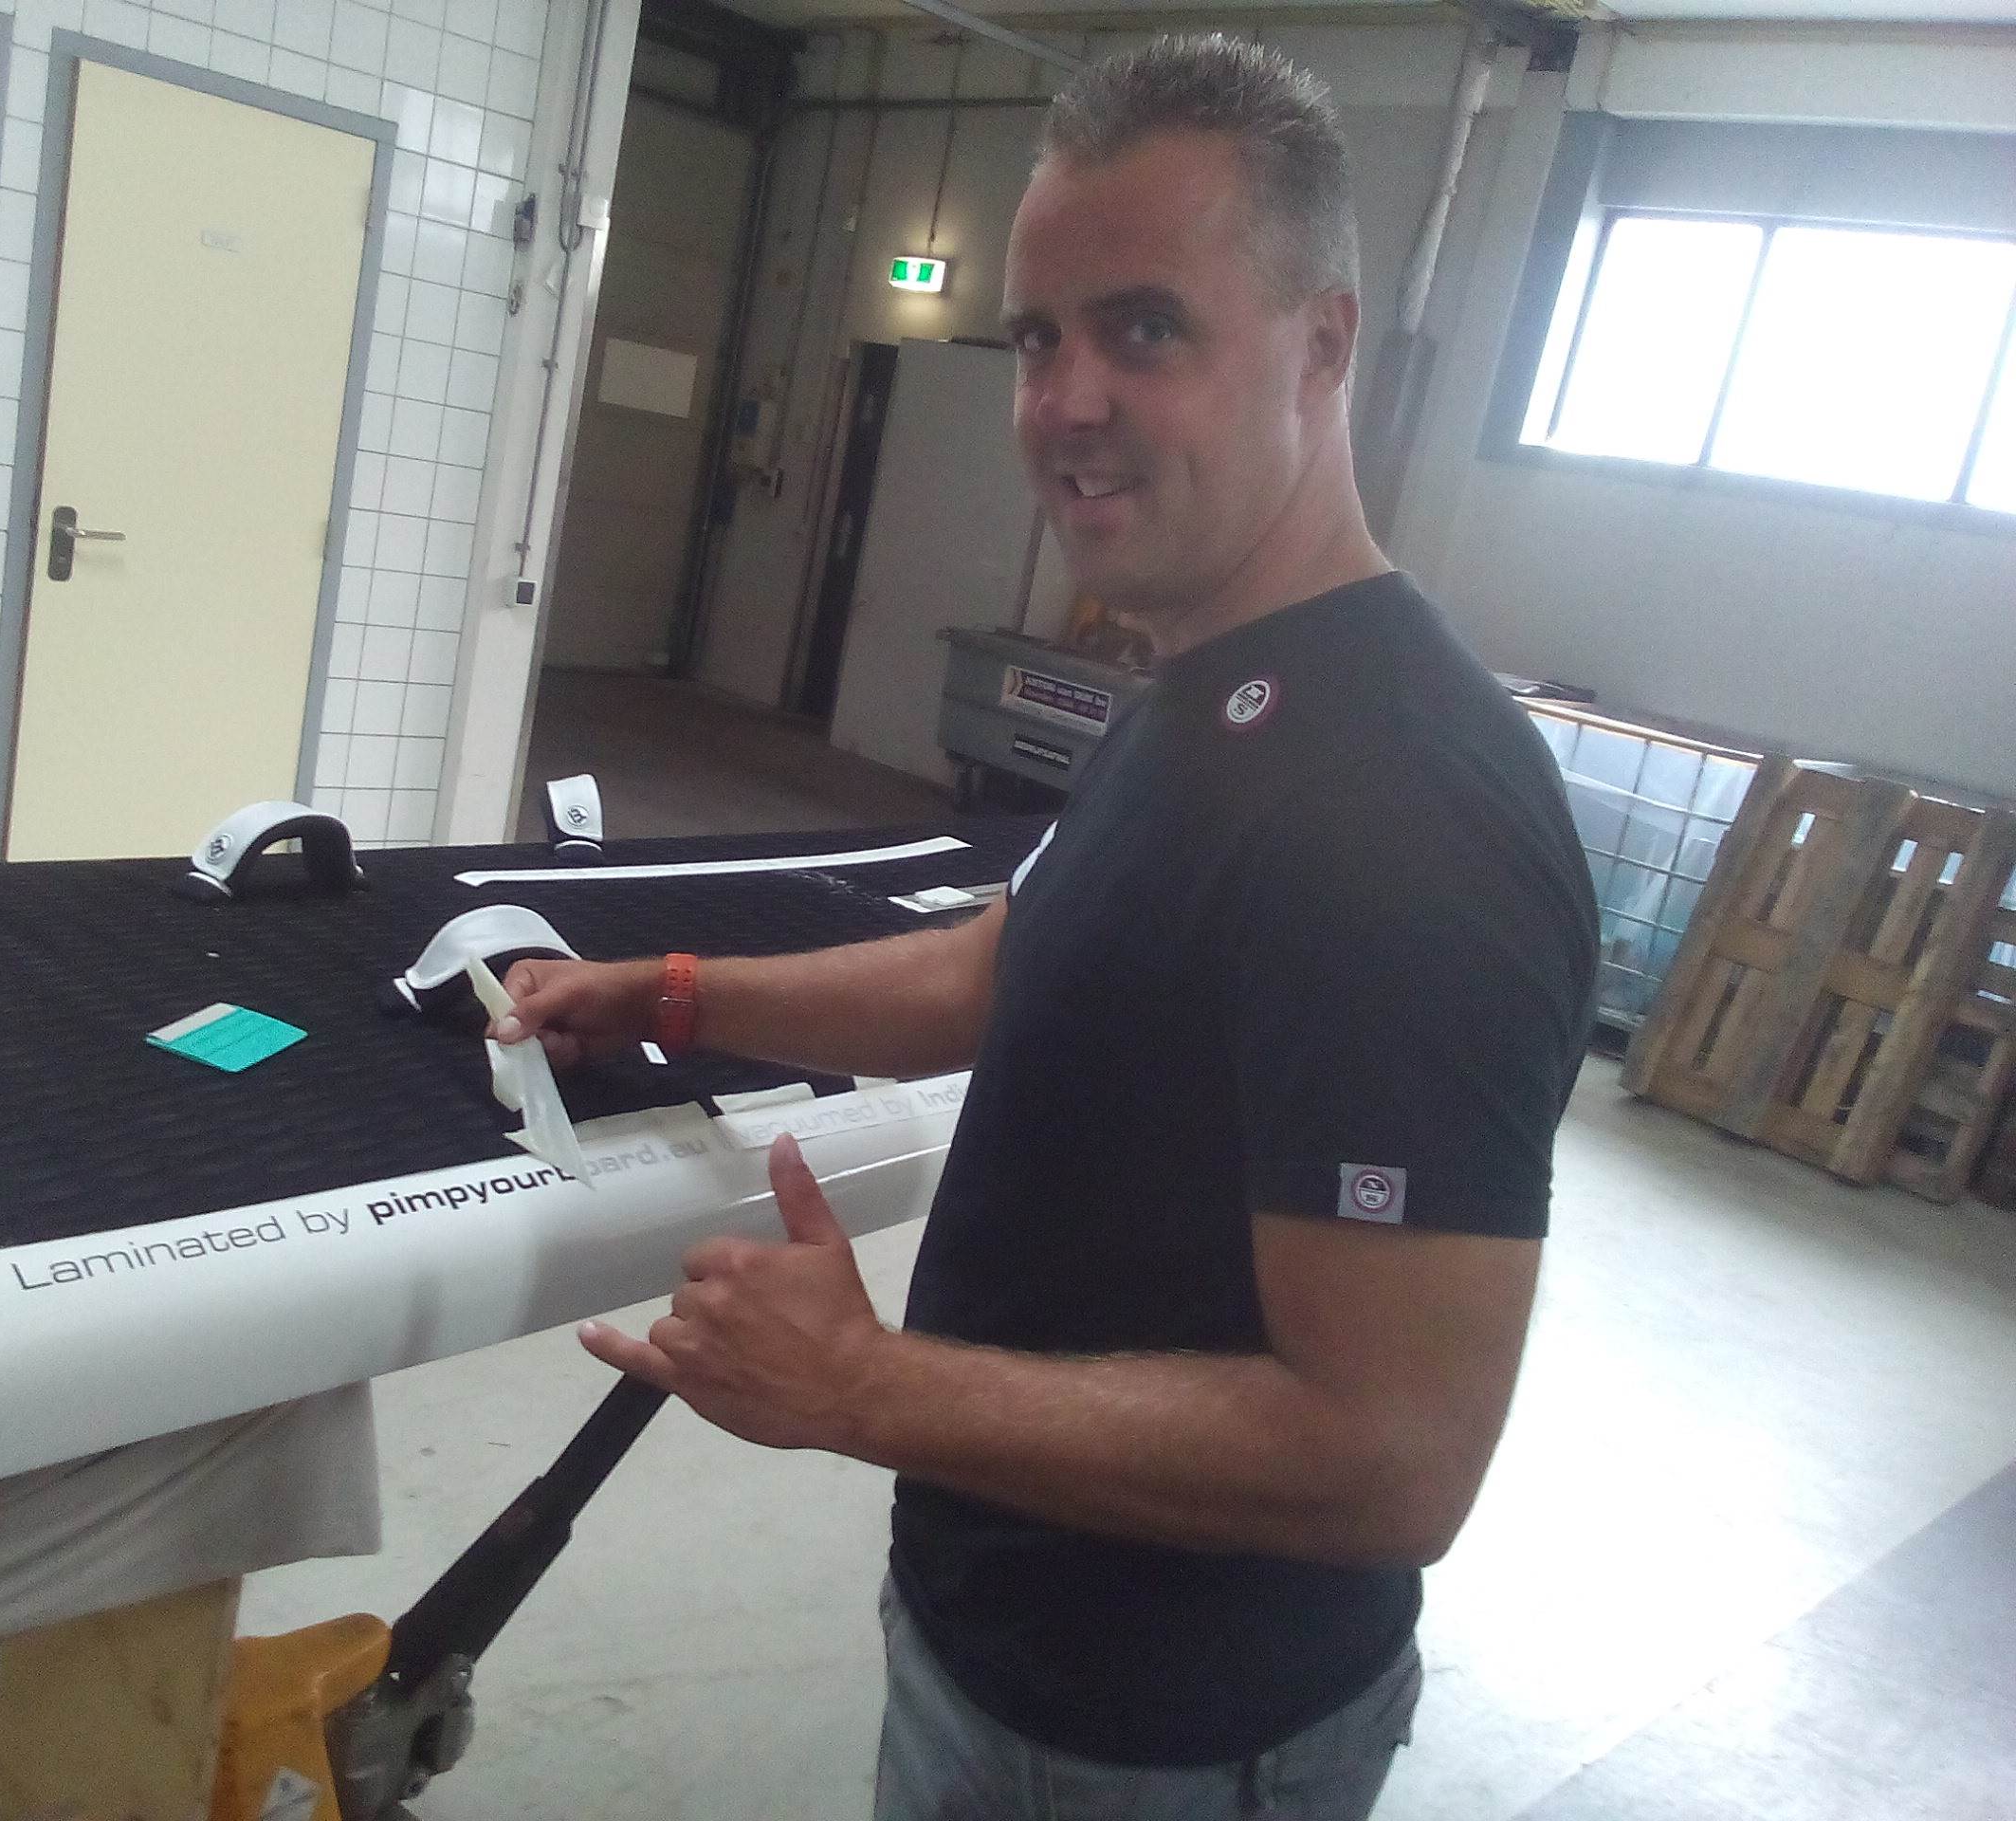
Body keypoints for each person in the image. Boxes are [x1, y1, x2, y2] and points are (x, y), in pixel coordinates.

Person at [491, 33, 1598, 1821]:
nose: (1066, 399)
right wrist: (679, 996)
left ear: (1323, 345)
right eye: (1036, 337)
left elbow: (1392, 1459)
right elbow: (1017, 965)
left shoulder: (1407, 816)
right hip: (992, 1639)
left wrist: (865, 1388)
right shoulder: (1199, 690)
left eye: (1145, 328)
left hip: (1166, 1744)